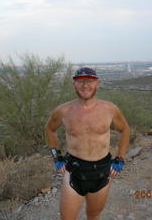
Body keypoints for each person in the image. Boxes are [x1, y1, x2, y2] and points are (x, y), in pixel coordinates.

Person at [45, 67, 130, 220]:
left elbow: (125, 130)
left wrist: (121, 158)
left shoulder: (110, 109)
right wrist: (56, 157)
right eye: (80, 81)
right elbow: (50, 129)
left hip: (102, 171)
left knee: (93, 214)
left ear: (97, 83)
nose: (85, 85)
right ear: (74, 84)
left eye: (90, 81)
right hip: (74, 170)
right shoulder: (63, 111)